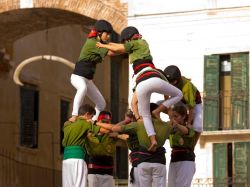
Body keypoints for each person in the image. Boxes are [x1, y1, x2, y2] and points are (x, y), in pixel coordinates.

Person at [96, 26, 183, 151]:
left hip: (141, 85)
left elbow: (133, 103)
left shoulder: (139, 43)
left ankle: (152, 140)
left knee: (145, 116)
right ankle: (156, 113)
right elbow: (117, 50)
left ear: (128, 39)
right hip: (154, 80)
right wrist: (163, 108)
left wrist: (138, 118)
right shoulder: (152, 64)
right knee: (178, 94)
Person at [96, 103, 173, 187]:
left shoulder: (137, 125)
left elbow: (113, 129)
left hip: (141, 164)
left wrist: (125, 121)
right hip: (158, 162)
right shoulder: (165, 125)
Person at [69, 19, 114, 122]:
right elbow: (111, 53)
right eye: (107, 34)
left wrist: (124, 48)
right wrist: (126, 49)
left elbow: (112, 48)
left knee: (101, 103)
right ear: (99, 33)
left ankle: (93, 120)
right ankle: (74, 115)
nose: (108, 37)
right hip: (77, 77)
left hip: (88, 79)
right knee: (82, 88)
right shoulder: (93, 43)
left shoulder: (100, 43)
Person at [62, 104, 108, 187]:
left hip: (66, 161)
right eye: (91, 117)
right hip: (78, 159)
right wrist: (95, 123)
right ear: (87, 114)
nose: (91, 119)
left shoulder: (67, 125)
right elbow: (104, 130)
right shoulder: (86, 123)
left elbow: (67, 122)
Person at [164, 65, 203, 147]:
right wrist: (169, 110)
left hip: (195, 104)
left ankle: (193, 146)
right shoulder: (169, 82)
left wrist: (188, 123)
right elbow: (166, 95)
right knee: (157, 104)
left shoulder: (187, 87)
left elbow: (191, 107)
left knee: (198, 126)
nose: (168, 84)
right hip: (180, 99)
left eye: (170, 82)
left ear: (176, 81)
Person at [85, 111, 119, 187]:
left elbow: (121, 129)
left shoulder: (112, 133)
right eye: (103, 121)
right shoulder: (90, 131)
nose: (106, 124)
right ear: (99, 120)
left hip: (108, 172)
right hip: (93, 172)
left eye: (107, 122)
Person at [167, 103, 196, 187]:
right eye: (172, 117)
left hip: (186, 160)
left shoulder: (188, 127)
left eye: (176, 116)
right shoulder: (172, 130)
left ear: (183, 117)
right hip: (174, 159)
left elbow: (187, 131)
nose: (173, 119)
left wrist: (176, 125)